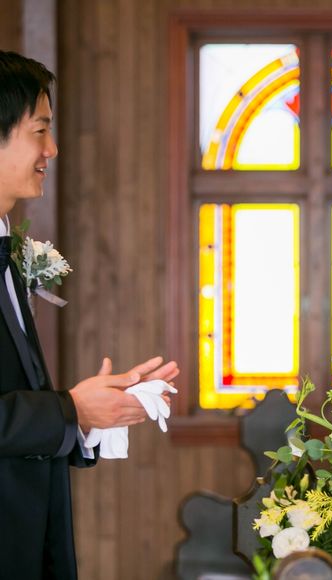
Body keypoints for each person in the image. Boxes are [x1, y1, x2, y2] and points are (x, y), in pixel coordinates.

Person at [0, 50, 179, 579]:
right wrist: (71, 409)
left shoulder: (8, 250)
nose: (52, 149)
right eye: (40, 130)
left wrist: (88, 414)